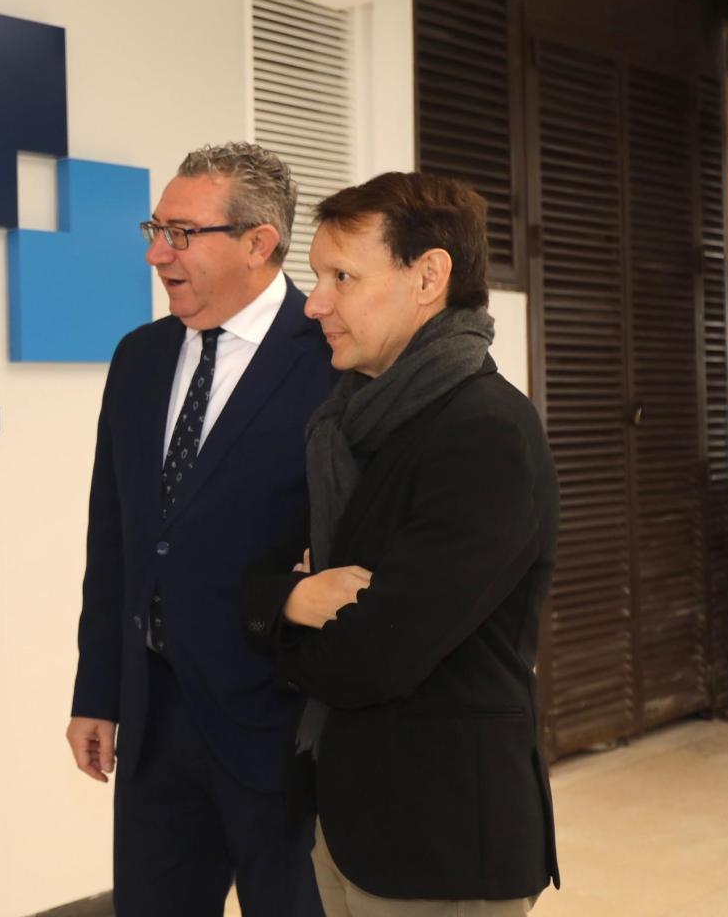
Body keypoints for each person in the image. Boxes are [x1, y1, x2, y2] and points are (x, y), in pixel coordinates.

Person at [241, 172, 560, 915]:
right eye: (316, 277)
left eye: (342, 277)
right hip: (347, 817)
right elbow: (257, 578)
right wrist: (298, 597)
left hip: (440, 839)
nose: (315, 301)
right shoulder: (347, 425)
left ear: (428, 277)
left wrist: (287, 621)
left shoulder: (485, 432)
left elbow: (377, 655)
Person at [66, 142, 334, 915]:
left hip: (279, 727)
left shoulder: (330, 358)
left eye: (182, 233)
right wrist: (99, 691)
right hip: (155, 722)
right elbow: (113, 538)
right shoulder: (140, 358)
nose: (157, 252)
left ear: (260, 243)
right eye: (156, 229)